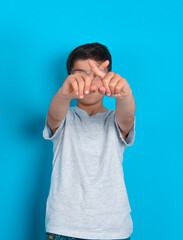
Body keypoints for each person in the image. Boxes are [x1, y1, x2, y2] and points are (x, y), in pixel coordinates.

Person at [43, 43, 135, 240]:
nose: (89, 82)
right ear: (69, 78)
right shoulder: (65, 117)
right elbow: (54, 115)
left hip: (114, 229)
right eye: (80, 75)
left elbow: (127, 116)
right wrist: (64, 93)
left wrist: (124, 93)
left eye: (96, 74)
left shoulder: (115, 119)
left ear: (109, 77)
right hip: (64, 228)